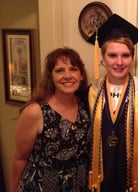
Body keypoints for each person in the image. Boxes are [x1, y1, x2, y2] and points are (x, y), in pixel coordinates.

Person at [86, 14, 138, 192]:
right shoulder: (89, 93)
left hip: (136, 183)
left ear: (132, 58)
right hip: (99, 180)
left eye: (125, 55)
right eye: (112, 55)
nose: (119, 62)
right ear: (102, 57)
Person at [11, 47, 91, 192]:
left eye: (73, 69)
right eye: (60, 70)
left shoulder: (87, 106)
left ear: (81, 76)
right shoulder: (35, 112)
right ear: (51, 76)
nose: (67, 75)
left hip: (79, 186)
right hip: (41, 186)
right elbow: (20, 158)